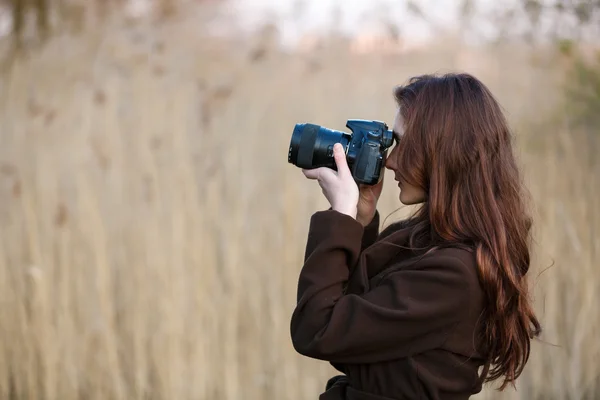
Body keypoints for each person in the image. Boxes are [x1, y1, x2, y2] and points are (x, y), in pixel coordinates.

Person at [290, 73, 542, 400]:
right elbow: (356, 313)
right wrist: (361, 220)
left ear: (444, 154)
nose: (390, 161)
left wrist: (339, 217)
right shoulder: (424, 240)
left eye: (403, 144)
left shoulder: (455, 275)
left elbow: (319, 329)